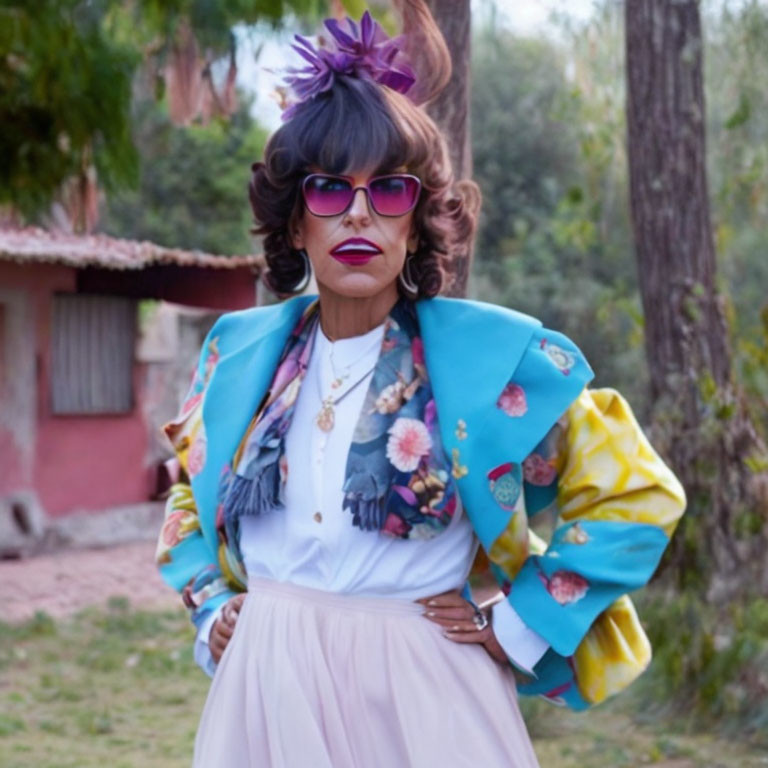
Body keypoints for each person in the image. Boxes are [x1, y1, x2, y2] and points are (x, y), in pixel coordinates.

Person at [154, 4, 686, 766]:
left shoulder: (495, 363)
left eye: (390, 191)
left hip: (424, 694)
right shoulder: (241, 357)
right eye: (330, 190)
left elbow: (637, 494)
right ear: (296, 221)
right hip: (264, 691)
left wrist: (519, 624)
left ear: (417, 221)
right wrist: (211, 610)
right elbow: (186, 495)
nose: (360, 214)